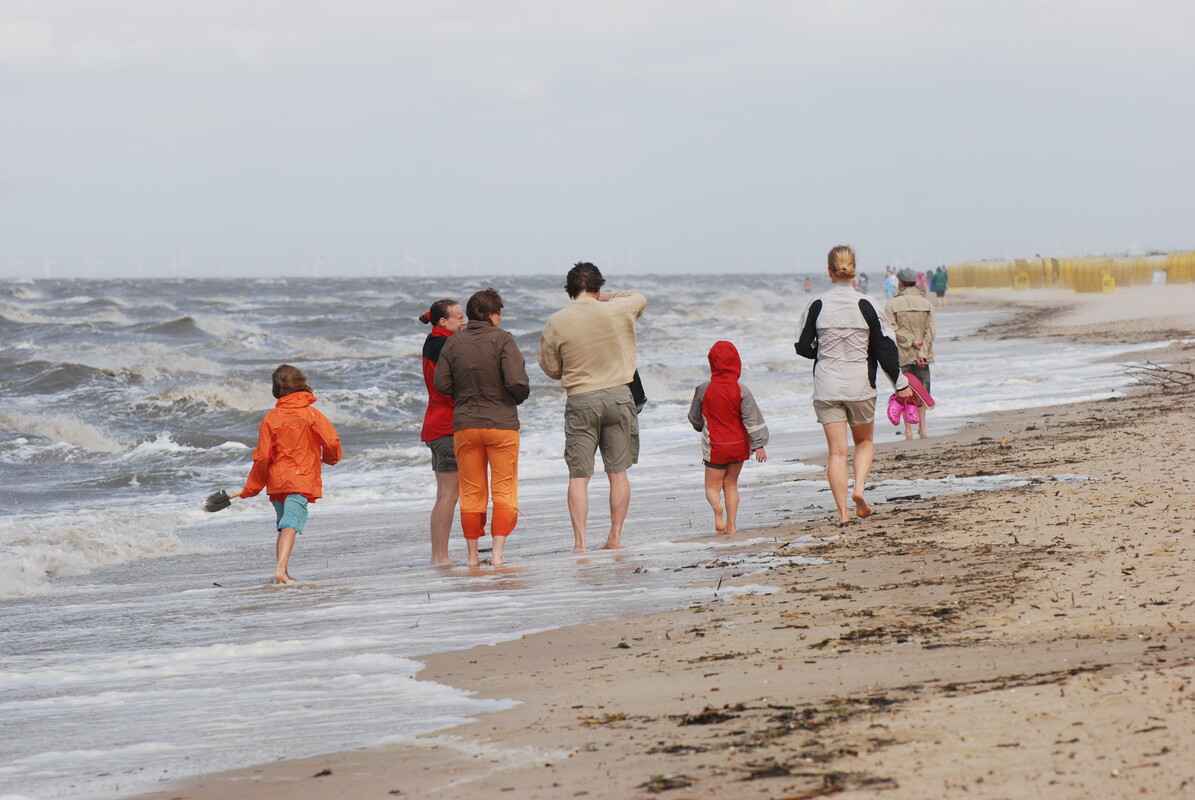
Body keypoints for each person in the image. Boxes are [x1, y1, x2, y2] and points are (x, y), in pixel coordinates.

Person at [795, 246, 912, 525]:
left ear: (829, 271)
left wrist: (821, 353)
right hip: (860, 386)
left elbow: (802, 346)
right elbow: (885, 349)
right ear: (854, 270)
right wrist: (900, 383)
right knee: (865, 441)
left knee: (836, 452)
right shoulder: (867, 304)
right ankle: (859, 489)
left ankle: (842, 513)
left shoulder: (817, 305)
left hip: (827, 387)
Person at [537, 262, 646, 552]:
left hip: (582, 398)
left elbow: (550, 367)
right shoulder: (616, 308)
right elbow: (638, 297)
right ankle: (615, 537)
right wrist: (605, 297)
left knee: (579, 475)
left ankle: (580, 543)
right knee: (618, 472)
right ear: (598, 287)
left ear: (570, 289)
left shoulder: (557, 321)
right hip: (619, 395)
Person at [434, 288, 529, 567]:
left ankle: (473, 557)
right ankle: (498, 555)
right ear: (492, 315)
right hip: (501, 424)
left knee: (472, 492)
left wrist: (463, 396)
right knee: (504, 490)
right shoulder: (503, 340)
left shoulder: (453, 343)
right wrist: (516, 398)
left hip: (465, 425)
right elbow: (517, 380)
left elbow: (442, 384)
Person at [235, 364, 342, 584]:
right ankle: (281, 570)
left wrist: (253, 486)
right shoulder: (311, 414)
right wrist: (331, 458)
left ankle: (282, 571)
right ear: (302, 384)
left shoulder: (271, 418)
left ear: (276, 390)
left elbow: (263, 457)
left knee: (284, 525)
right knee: (290, 524)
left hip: (277, 480)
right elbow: (331, 442)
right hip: (301, 478)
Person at [687, 341, 768, 536]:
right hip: (739, 445)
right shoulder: (742, 390)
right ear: (736, 363)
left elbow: (695, 417)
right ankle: (732, 526)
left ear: (712, 363)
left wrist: (699, 427)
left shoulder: (704, 389)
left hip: (716, 445)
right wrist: (759, 445)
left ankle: (717, 507)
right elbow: (753, 418)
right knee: (731, 485)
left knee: (712, 486)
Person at [419, 298, 466, 565]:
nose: (464, 321)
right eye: (459, 318)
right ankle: (440, 556)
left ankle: (438, 554)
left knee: (443, 495)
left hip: (436, 424)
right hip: (445, 425)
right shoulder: (445, 344)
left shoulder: (434, 340)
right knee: (449, 494)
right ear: (442, 322)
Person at [886, 268, 936, 440]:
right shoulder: (926, 304)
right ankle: (922, 429)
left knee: (904, 393)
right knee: (922, 392)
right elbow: (931, 331)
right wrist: (921, 350)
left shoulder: (892, 304)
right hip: (923, 356)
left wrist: (909, 341)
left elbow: (890, 329)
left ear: (900, 283)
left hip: (901, 354)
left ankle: (908, 431)